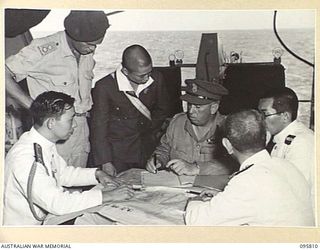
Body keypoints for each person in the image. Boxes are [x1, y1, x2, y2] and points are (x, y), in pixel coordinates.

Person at [3, 91, 134, 225]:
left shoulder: (42, 143)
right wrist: (107, 196)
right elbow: (57, 203)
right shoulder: (26, 158)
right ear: (51, 123)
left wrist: (97, 174)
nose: (75, 125)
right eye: (70, 120)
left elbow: (63, 174)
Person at [5, 10, 110, 168]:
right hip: (53, 129)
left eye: (96, 44)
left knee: (76, 183)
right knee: (51, 186)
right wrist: (34, 107)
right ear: (73, 36)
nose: (92, 50)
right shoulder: (44, 50)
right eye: (89, 44)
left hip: (80, 129)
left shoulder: (85, 51)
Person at [185, 109, 314, 226]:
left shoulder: (247, 181)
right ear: (267, 137)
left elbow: (196, 221)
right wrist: (224, 197)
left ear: (227, 145)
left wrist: (196, 199)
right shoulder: (286, 165)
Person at [90, 44, 170, 175]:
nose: (147, 78)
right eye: (141, 76)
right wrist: (105, 162)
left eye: (149, 72)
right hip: (118, 155)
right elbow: (99, 128)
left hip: (148, 150)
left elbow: (162, 110)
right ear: (125, 71)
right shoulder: (104, 87)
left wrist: (150, 130)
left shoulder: (156, 78)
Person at [146, 79, 237, 176]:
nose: (191, 111)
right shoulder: (177, 122)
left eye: (198, 107)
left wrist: (195, 168)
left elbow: (235, 163)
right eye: (190, 105)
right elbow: (164, 149)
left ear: (213, 108)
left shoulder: (230, 127)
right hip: (178, 187)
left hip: (213, 188)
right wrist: (158, 160)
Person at [258, 87, 315, 210]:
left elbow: (295, 190)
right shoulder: (279, 138)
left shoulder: (302, 142)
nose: (260, 120)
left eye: (265, 114)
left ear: (284, 116)